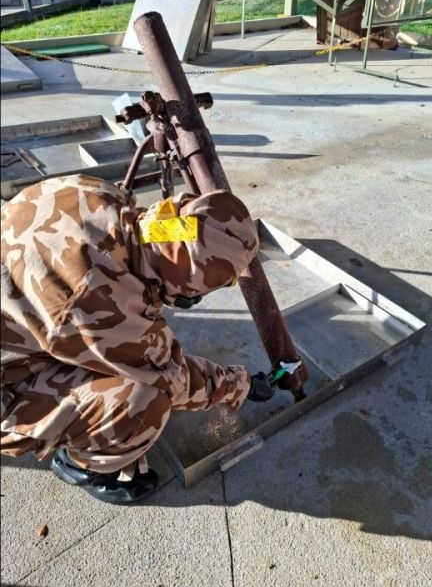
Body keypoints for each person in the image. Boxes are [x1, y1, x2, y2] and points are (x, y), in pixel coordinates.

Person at [1, 174, 274, 504]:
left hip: (24, 325)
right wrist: (241, 384)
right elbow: (174, 379)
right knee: (143, 400)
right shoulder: (103, 303)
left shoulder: (97, 194)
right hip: (8, 384)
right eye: (223, 282)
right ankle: (82, 465)